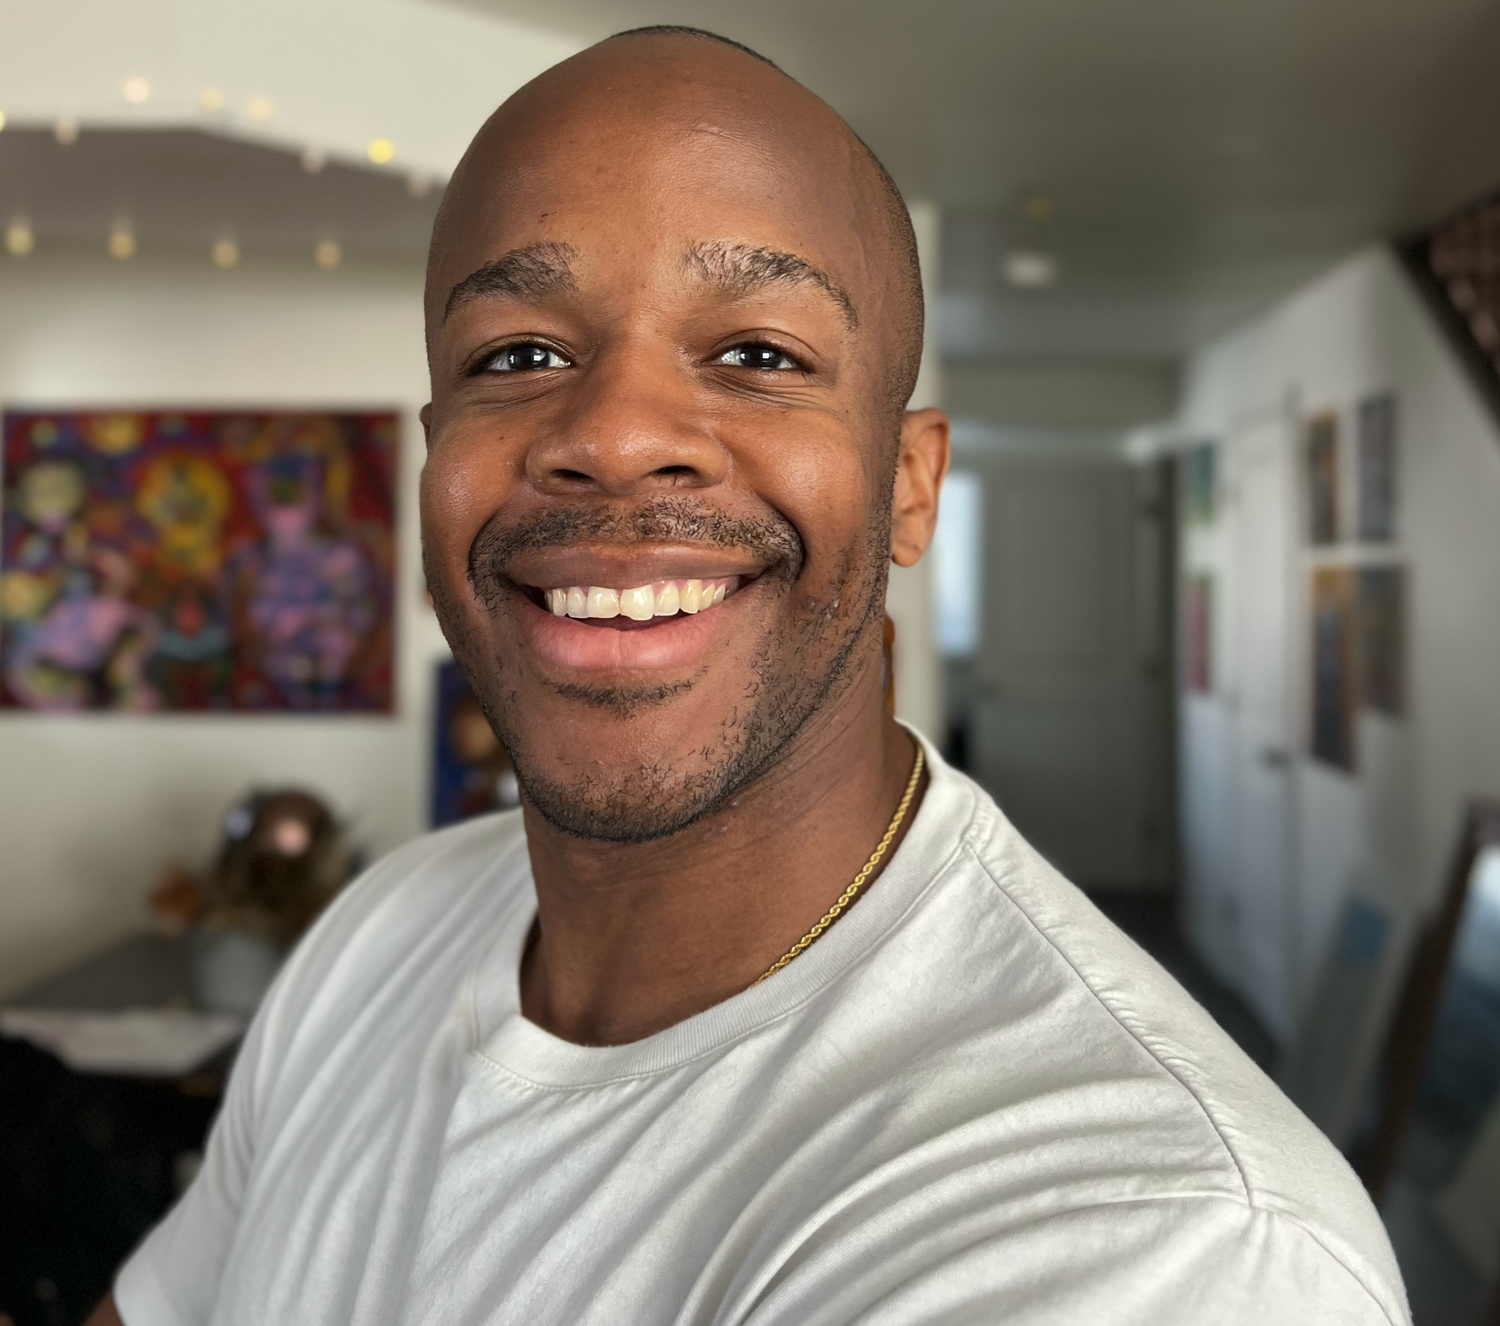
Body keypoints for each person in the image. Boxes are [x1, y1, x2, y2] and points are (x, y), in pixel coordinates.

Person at [92, 26, 1408, 1326]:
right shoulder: (375, 939)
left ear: (909, 484)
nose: (612, 436)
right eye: (518, 354)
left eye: (759, 355)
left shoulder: (1166, 1246)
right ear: (437, 455)